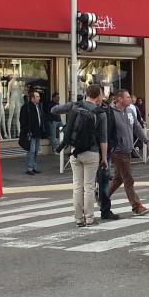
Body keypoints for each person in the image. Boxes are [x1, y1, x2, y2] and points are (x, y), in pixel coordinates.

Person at [52, 85, 108, 228]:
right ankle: (89, 218)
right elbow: (103, 138)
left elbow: (54, 110)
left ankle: (78, 218)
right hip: (92, 152)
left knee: (77, 186)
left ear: (86, 94)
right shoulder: (100, 113)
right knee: (89, 187)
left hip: (75, 151)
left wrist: (69, 107)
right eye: (101, 95)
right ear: (98, 96)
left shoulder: (75, 106)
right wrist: (104, 158)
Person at [106, 89, 149, 216]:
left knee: (118, 179)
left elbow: (137, 127)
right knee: (128, 179)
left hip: (127, 149)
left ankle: (102, 196)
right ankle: (136, 206)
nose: (130, 99)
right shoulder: (110, 113)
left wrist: (147, 142)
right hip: (117, 150)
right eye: (127, 97)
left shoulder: (130, 111)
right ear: (120, 99)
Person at [19, 88, 46, 175]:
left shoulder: (38, 107)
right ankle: (30, 168)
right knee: (31, 151)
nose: (39, 98)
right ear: (32, 98)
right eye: (37, 96)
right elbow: (22, 120)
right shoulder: (26, 107)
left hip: (37, 132)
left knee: (36, 151)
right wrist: (27, 131)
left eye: (39, 96)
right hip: (31, 133)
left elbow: (40, 119)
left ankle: (34, 167)